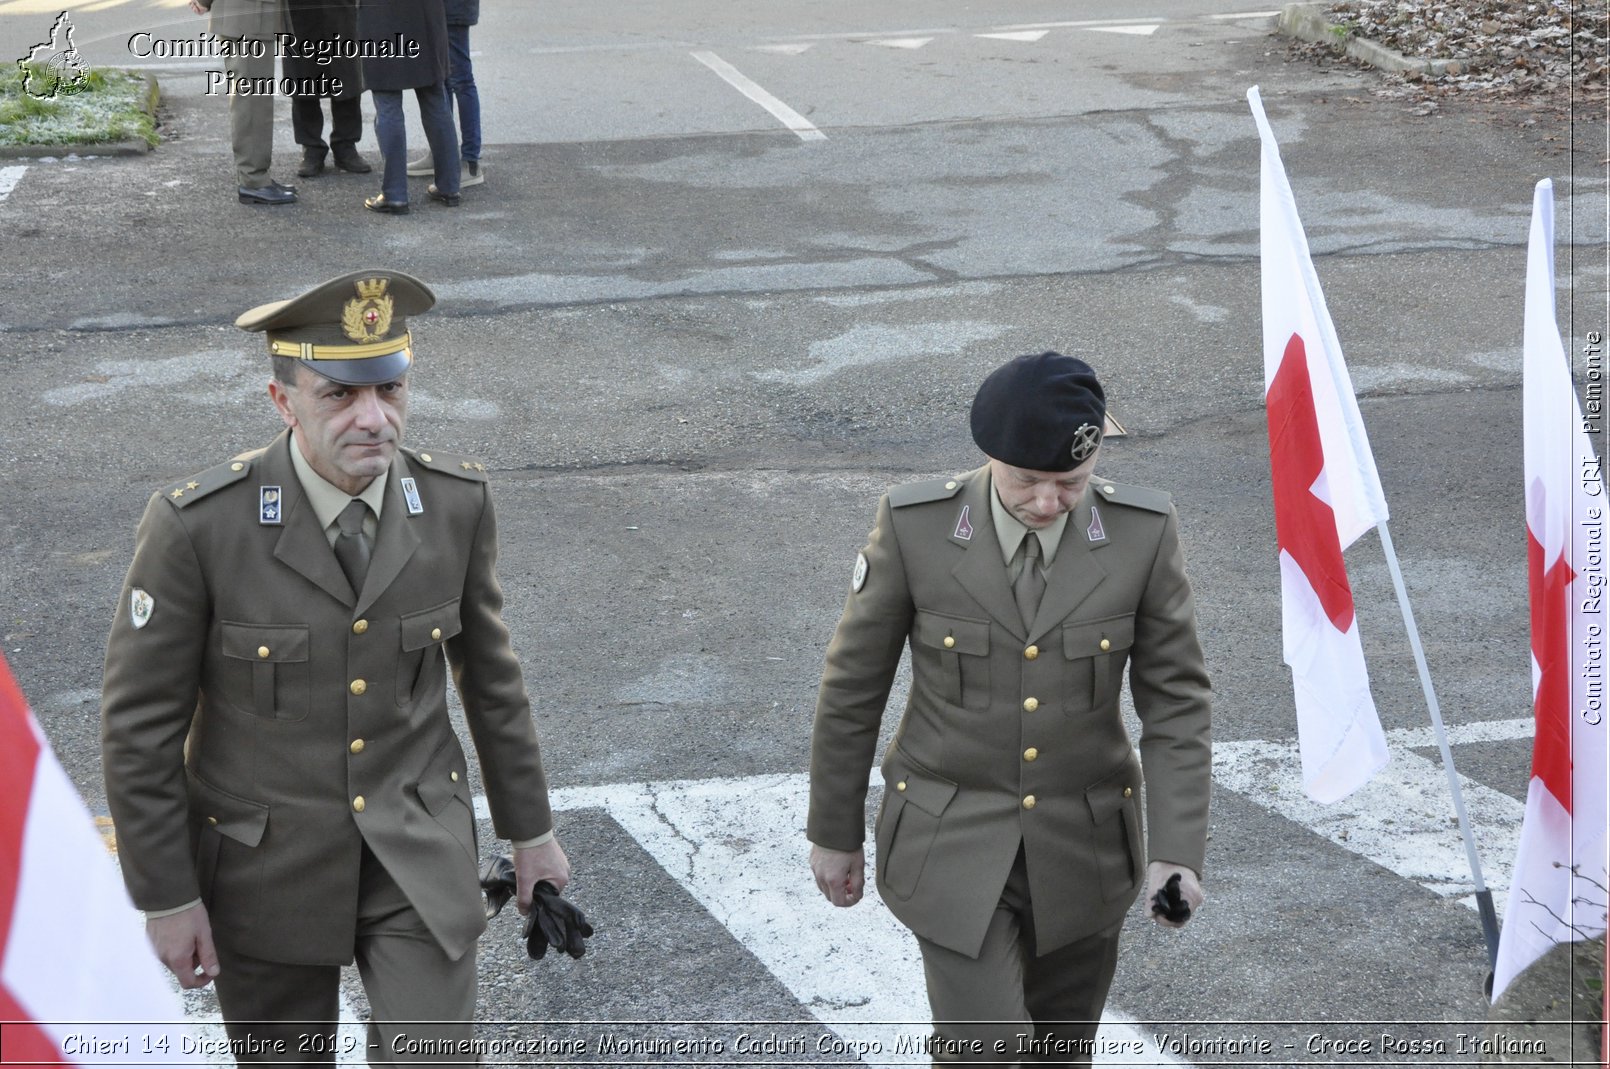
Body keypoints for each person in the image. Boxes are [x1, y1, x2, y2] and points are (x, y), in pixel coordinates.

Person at [101, 269, 569, 1062]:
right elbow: (139, 728)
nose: (374, 419)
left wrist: (533, 833)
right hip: (264, 867)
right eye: (340, 396)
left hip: (416, 845)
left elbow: (492, 682)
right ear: (283, 402)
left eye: (390, 390)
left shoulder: (453, 503)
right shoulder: (200, 527)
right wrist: (168, 895)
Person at [806, 351, 1212, 1064]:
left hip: (1083, 848)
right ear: (990, 456)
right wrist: (834, 830)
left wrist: (1176, 853)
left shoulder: (1142, 534)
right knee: (987, 1048)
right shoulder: (917, 527)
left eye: (1071, 483)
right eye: (1027, 480)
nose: (1049, 501)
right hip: (951, 840)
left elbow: (1175, 701)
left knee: (1061, 1052)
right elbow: (853, 685)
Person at [188, 0, 297, 205]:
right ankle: (253, 181)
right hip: (247, 20)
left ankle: (256, 177)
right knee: (251, 105)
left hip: (254, 18)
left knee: (256, 103)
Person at [358, 0, 460, 214]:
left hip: (380, 14)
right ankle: (449, 186)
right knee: (435, 99)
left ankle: (395, 194)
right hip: (426, 12)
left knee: (387, 103)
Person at [284, 0, 372, 179]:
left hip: (341, 8)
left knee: (346, 77)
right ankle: (311, 148)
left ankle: (346, 146)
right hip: (299, 9)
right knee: (303, 77)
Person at [406, 0, 485, 188]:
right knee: (444, 79)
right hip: (442, 9)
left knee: (461, 80)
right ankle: (442, 155)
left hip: (453, 9)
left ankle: (470, 162)